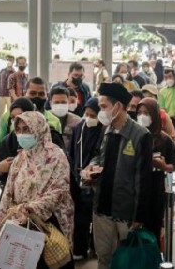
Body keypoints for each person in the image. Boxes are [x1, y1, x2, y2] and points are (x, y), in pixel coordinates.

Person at [0, 111, 75, 269]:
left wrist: (31, 208)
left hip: (48, 222)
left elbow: (59, 191)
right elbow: (8, 194)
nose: (21, 134)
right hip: (19, 222)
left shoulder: (56, 156)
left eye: (27, 129)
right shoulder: (20, 158)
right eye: (19, 129)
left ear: (39, 129)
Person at [81, 83, 153, 269]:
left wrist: (139, 216)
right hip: (102, 207)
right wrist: (91, 167)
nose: (100, 111)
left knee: (126, 260)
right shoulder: (106, 130)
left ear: (118, 107)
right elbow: (99, 155)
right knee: (104, 258)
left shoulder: (140, 135)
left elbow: (143, 179)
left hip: (126, 212)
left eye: (104, 106)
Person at [136, 97, 175, 240]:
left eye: (146, 113)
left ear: (154, 115)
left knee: (152, 228)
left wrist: (164, 166)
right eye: (139, 112)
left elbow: (173, 165)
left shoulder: (164, 140)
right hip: (134, 189)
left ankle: (152, 256)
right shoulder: (132, 136)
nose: (142, 116)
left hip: (155, 190)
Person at [69, 98, 106, 260]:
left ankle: (95, 247)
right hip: (79, 180)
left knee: (97, 218)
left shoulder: (104, 131)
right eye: (87, 114)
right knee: (81, 217)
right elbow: (71, 152)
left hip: (97, 181)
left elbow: (101, 155)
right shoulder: (79, 128)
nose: (89, 118)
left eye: (93, 115)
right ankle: (80, 249)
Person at [0, 77, 62, 154]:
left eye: (41, 94)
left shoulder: (54, 121)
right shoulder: (9, 117)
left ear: (47, 95)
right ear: (25, 93)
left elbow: (57, 149)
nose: (37, 97)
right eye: (32, 93)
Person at [0, 97, 35, 186]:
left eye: (21, 116)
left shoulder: (47, 137)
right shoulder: (11, 138)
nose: (17, 121)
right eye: (13, 118)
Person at [50, 87, 82, 152]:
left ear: (68, 102)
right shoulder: (43, 119)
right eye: (56, 102)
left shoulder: (77, 122)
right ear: (50, 103)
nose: (60, 105)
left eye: (63, 102)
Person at [0, 55, 15, 120]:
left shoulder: (14, 72)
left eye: (11, 60)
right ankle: (0, 126)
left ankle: (8, 126)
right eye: (8, 59)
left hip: (9, 95)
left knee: (10, 111)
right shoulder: (2, 70)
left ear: (13, 61)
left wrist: (12, 70)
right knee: (0, 112)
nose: (9, 61)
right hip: (1, 94)